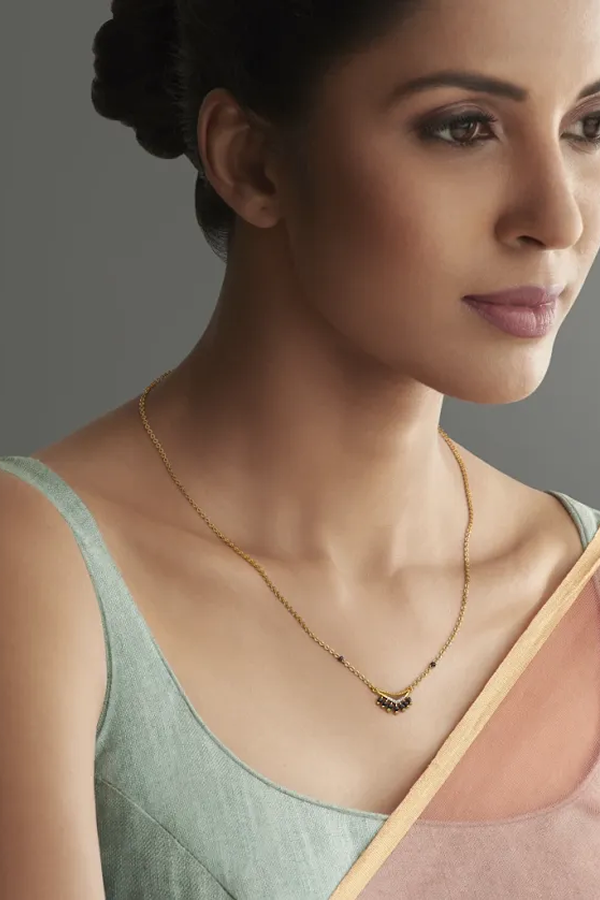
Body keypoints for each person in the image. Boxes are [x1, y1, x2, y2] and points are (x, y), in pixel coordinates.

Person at [2, 0, 600, 896]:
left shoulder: (580, 593)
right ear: (251, 161)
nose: (557, 218)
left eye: (590, 127)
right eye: (464, 127)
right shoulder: (38, 579)